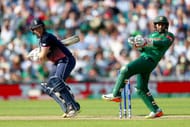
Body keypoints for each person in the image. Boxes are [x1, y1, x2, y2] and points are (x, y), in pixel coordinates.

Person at [102, 16, 175, 118]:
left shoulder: (169, 35)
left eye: (162, 24)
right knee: (141, 88)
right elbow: (144, 49)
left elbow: (164, 43)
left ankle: (116, 94)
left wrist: (147, 42)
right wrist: (136, 45)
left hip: (149, 60)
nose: (159, 26)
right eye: (158, 24)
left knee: (125, 69)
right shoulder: (152, 35)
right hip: (145, 59)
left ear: (166, 26)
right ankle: (156, 110)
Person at [29, 18, 80, 118]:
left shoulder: (46, 37)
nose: (38, 30)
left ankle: (72, 106)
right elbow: (48, 57)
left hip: (66, 60)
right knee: (49, 85)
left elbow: (43, 57)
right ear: (33, 31)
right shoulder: (42, 39)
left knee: (57, 81)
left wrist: (37, 55)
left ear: (43, 27)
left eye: (39, 27)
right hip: (58, 62)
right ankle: (71, 102)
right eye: (35, 29)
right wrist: (38, 55)